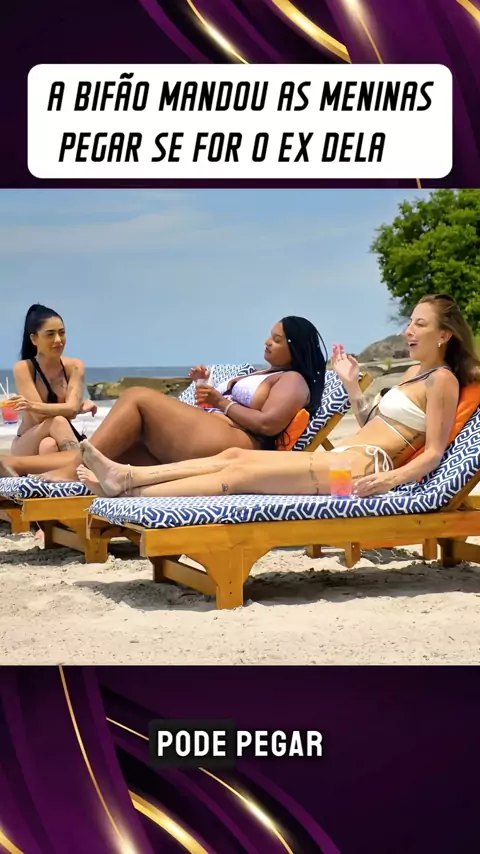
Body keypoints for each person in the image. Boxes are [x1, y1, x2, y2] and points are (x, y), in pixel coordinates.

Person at [74, 294, 480, 499]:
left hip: (358, 473)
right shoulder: (413, 374)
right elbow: (374, 424)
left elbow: (433, 453)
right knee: (234, 456)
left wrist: (387, 480)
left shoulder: (442, 380)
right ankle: (126, 477)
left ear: (444, 335)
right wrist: (352, 385)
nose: (409, 330)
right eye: (410, 321)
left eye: (420, 324)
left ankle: (131, 490)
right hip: (345, 459)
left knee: (240, 476)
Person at [0, 316, 327, 480]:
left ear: (295, 348)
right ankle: (15, 465)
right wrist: (207, 390)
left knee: (137, 398)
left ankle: (68, 473)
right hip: (215, 431)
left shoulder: (293, 380)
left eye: (277, 340)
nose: (268, 342)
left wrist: (221, 402)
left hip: (237, 444)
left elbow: (269, 424)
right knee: (119, 449)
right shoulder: (266, 373)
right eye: (270, 336)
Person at [7, 304, 97, 458]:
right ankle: (83, 465)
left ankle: (69, 470)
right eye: (50, 334)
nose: (58, 340)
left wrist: (33, 406)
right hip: (28, 442)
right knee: (58, 421)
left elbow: (71, 409)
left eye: (62, 333)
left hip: (55, 440)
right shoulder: (24, 368)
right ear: (34, 339)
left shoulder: (75, 367)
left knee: (48, 445)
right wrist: (75, 408)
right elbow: (40, 417)